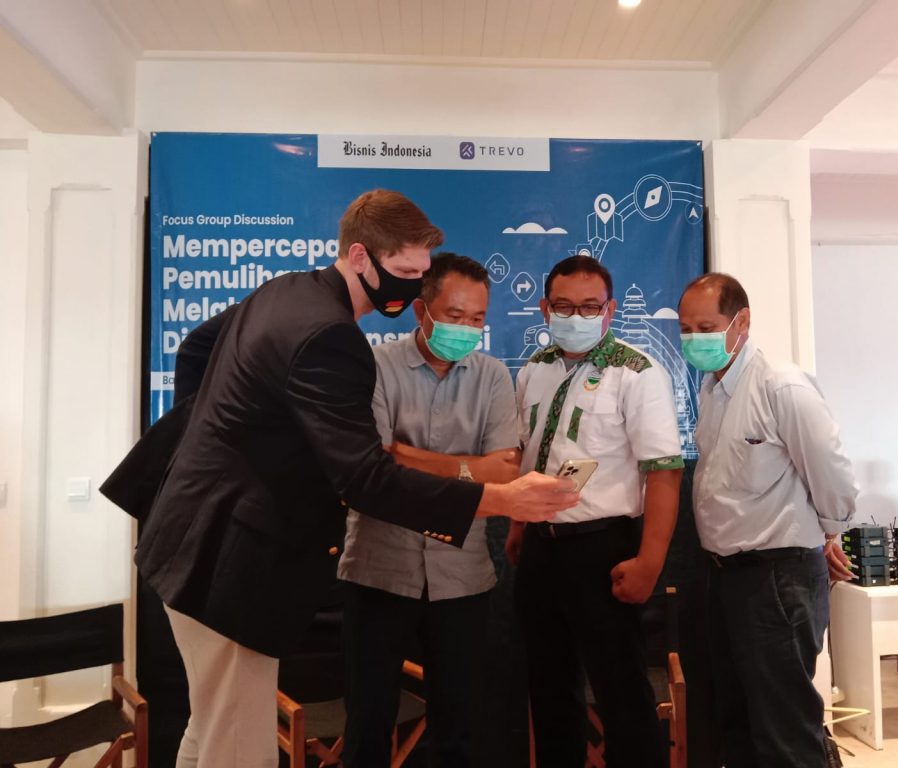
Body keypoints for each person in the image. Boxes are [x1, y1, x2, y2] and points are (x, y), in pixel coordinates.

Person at [129, 189, 578, 768]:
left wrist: (215, 450)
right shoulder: (333, 336)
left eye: (420, 275)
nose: (412, 288)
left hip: (189, 534)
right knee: (240, 749)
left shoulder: (284, 289)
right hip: (230, 561)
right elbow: (368, 479)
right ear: (361, 256)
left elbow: (195, 351)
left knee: (210, 733)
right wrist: (501, 498)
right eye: (405, 274)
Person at [338, 253, 518, 767]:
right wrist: (469, 469)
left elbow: (505, 472)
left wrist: (409, 457)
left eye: (477, 319)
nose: (467, 329)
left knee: (459, 728)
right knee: (368, 723)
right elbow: (373, 468)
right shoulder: (375, 366)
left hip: (462, 575)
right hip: (378, 569)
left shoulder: (493, 377)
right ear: (421, 311)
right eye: (455, 316)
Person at [506, 255, 683, 768]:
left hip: (603, 548)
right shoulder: (534, 369)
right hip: (540, 547)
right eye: (564, 306)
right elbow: (526, 453)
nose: (576, 316)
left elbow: (664, 472)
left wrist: (650, 563)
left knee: (620, 689)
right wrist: (518, 526)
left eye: (589, 307)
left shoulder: (637, 372)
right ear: (545, 309)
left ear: (609, 309)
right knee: (548, 687)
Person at [677, 272, 858, 768]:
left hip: (777, 577)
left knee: (785, 730)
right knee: (736, 723)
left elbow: (832, 473)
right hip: (724, 576)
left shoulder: (782, 385)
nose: (694, 339)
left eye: (706, 327)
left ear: (742, 322)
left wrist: (829, 531)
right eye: (686, 329)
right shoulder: (712, 389)